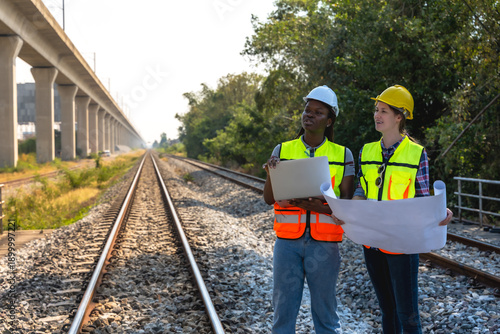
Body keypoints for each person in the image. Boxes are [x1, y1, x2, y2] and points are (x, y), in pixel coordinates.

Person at [349, 85, 453, 334]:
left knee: (407, 315)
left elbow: (422, 198)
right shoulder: (366, 151)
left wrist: (439, 211)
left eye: (383, 110)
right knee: (387, 311)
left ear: (399, 116)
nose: (377, 115)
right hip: (372, 242)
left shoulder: (417, 154)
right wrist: (349, 209)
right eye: (376, 110)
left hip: (402, 243)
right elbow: (362, 190)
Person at [263, 85, 354, 334]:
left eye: (317, 112)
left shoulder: (343, 155)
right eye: (307, 109)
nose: (309, 115)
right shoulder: (281, 150)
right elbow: (268, 199)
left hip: (324, 245)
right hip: (287, 244)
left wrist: (321, 207)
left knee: (325, 314)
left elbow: (346, 205)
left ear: (329, 120)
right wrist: (271, 172)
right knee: (283, 312)